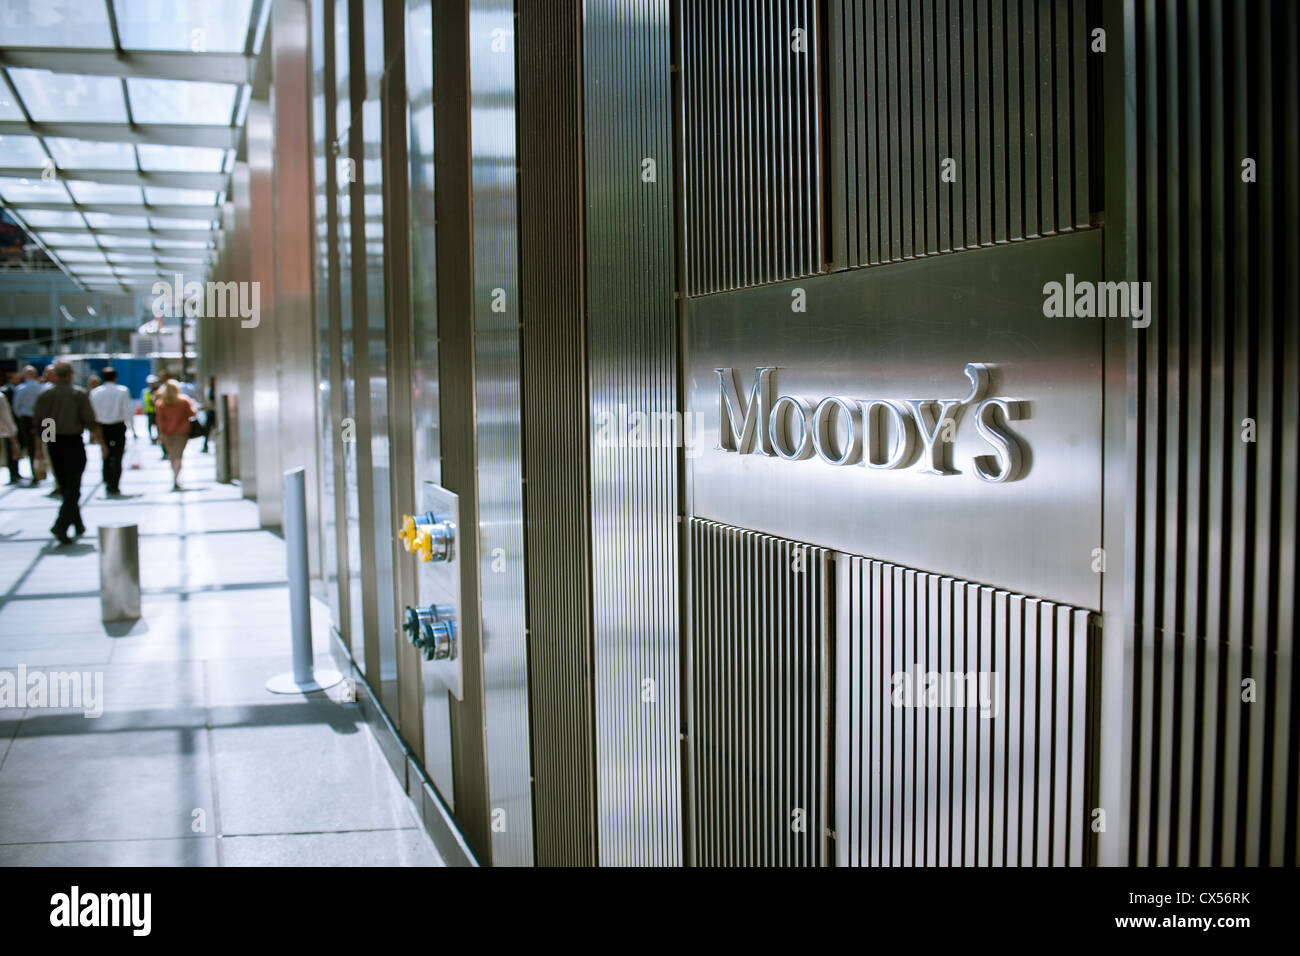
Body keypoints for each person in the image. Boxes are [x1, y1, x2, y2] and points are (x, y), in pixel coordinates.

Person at [33, 361, 99, 545]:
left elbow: (42, 420)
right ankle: (61, 525)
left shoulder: (46, 394)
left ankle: (77, 523)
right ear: (70, 374)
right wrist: (98, 439)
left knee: (66, 485)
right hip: (72, 441)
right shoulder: (77, 393)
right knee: (74, 485)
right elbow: (89, 419)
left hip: (54, 441)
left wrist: (47, 442)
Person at [89, 367, 134, 497]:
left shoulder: (95, 392)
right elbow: (127, 410)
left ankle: (108, 480)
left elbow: (92, 413)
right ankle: (114, 483)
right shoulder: (122, 391)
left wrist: (92, 431)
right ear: (115, 377)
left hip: (102, 427)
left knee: (105, 454)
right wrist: (132, 428)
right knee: (118, 456)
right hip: (118, 426)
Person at [154, 380, 197, 491]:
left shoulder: (161, 403)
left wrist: (160, 433)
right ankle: (176, 477)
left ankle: (175, 476)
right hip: (182, 432)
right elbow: (192, 413)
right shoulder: (183, 401)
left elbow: (160, 420)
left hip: (167, 433)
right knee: (178, 455)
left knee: (172, 455)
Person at [10, 365, 43, 484]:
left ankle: (35, 473)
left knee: (29, 446)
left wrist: (21, 417)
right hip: (44, 420)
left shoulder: (20, 388)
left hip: (25, 420)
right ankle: (42, 471)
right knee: (48, 443)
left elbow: (16, 407)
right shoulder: (41, 388)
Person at [143, 374, 158, 444]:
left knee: (158, 426)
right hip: (149, 411)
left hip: (157, 411)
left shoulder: (158, 390)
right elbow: (144, 401)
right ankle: (151, 438)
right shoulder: (145, 391)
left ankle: (158, 437)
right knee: (150, 425)